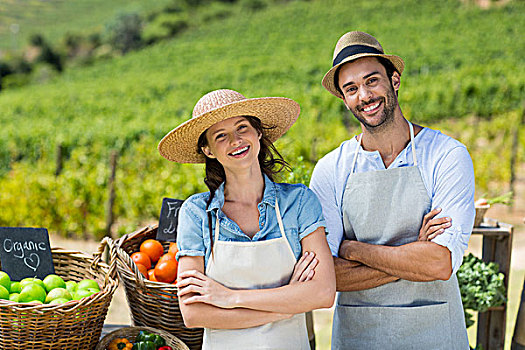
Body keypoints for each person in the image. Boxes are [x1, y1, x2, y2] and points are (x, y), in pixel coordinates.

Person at [309, 31, 475, 349]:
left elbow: (440, 264)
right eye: (352, 88)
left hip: (435, 334)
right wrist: (414, 253)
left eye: (372, 81)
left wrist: (351, 249)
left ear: (394, 80)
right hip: (360, 336)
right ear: (343, 99)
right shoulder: (331, 169)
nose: (365, 95)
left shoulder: (446, 155)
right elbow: (326, 278)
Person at [158, 88, 336, 350]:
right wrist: (284, 308)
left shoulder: (298, 202)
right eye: (221, 136)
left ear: (258, 132)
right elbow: (194, 314)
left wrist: (229, 297)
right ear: (207, 150)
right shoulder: (196, 212)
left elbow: (322, 293)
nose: (236, 140)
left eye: (242, 127)